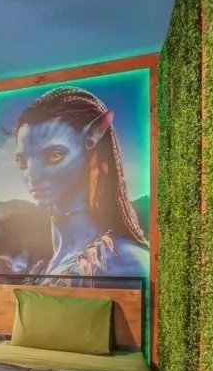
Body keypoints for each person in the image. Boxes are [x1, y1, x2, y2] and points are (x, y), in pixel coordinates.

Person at [11, 86, 149, 280]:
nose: (33, 176)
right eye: (22, 162)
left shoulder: (124, 262)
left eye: (54, 155)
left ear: (94, 151)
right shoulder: (46, 265)